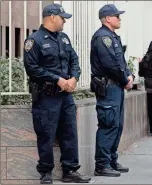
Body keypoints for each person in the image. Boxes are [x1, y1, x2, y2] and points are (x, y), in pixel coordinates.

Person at [23, 3, 91, 184]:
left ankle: (70, 170)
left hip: (65, 96)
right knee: (46, 134)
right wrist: (57, 79)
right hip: (46, 97)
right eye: (63, 18)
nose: (65, 21)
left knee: (69, 133)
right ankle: (45, 172)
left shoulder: (64, 38)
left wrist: (74, 78)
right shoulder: (34, 40)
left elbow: (74, 60)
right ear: (52, 17)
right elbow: (32, 69)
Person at [90, 4, 134, 177]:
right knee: (108, 124)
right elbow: (111, 64)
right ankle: (102, 164)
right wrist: (125, 79)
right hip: (108, 87)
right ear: (108, 18)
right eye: (117, 16)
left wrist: (129, 75)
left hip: (116, 86)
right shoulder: (103, 38)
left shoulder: (112, 37)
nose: (119, 18)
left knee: (117, 124)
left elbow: (120, 61)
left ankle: (111, 160)